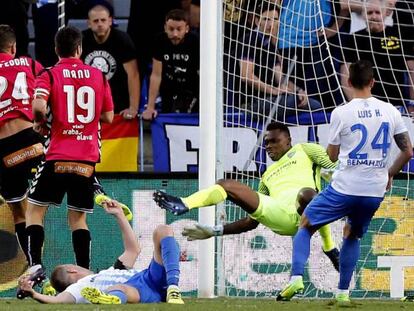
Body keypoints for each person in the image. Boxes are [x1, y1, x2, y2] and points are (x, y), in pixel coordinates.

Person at [278, 60, 413, 304]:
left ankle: (296, 278)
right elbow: (408, 152)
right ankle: (343, 294)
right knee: (352, 235)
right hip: (374, 191)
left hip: (345, 187)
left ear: (349, 83)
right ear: (373, 82)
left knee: (306, 223)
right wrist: (389, 174)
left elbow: (330, 156)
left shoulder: (341, 112)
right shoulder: (391, 111)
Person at [154, 122, 340, 270]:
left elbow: (332, 163)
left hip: (306, 213)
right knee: (225, 184)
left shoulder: (304, 149)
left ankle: (330, 248)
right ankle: (184, 203)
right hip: (280, 216)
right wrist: (214, 231)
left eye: (274, 141)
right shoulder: (266, 176)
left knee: (308, 195)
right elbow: (252, 222)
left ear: (288, 140)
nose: (268, 146)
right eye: (266, 143)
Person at [24, 26, 114, 279]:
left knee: (34, 211)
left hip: (57, 156)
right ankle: (85, 272)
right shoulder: (99, 75)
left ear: (56, 49)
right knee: (77, 220)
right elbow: (107, 116)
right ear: (79, 49)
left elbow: (39, 106)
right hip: (85, 159)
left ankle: (35, 267)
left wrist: (39, 122)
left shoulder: (49, 74)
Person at [18, 198, 185, 304]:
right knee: (120, 288)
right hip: (138, 291)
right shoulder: (79, 288)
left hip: (148, 277)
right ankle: (111, 300)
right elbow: (57, 301)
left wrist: (119, 214)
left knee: (163, 230)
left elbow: (133, 249)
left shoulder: (111, 271)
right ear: (72, 269)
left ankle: (173, 288)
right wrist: (33, 294)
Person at [0, 24, 44, 268]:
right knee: (40, 210)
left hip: (4, 149)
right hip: (31, 140)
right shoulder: (28, 63)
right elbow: (48, 90)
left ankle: (33, 267)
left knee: (19, 213)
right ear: (13, 47)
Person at [237, 4, 322, 121]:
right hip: (251, 103)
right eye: (266, 19)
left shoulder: (271, 45)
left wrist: (299, 91)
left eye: (275, 20)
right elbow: (246, 76)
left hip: (273, 99)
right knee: (295, 101)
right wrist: (274, 90)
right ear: (257, 21)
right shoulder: (249, 39)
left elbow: (281, 79)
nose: (271, 24)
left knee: (314, 105)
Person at [341, 0, 414, 114]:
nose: (374, 16)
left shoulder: (399, 35)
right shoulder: (354, 39)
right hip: (367, 107)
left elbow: (412, 70)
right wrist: (357, 105)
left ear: (385, 13)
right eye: (370, 13)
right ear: (364, 15)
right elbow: (345, 74)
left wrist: (412, 103)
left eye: (377, 12)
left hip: (396, 106)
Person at [82, 1, 140, 120]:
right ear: (88, 23)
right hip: (88, 104)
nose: (99, 24)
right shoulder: (81, 40)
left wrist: (133, 107)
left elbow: (133, 75)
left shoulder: (122, 40)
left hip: (118, 104)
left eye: (103, 20)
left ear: (110, 21)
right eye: (95, 21)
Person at [141, 9, 199, 120]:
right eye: (171, 29)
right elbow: (156, 75)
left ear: (186, 29)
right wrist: (150, 107)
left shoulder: (195, 41)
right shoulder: (160, 40)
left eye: (179, 29)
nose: (175, 34)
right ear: (165, 28)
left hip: (192, 89)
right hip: (168, 88)